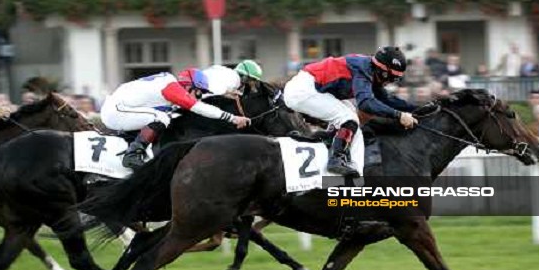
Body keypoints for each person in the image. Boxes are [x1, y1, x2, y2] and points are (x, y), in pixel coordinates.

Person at [283, 46, 417, 176]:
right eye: (392, 77)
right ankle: (337, 161)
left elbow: (387, 99)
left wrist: (418, 109)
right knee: (349, 119)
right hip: (304, 90)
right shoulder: (363, 69)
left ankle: (337, 153)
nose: (391, 82)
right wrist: (398, 115)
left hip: (313, 89)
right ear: (383, 70)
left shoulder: (371, 69)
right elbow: (366, 104)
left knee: (353, 121)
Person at [100, 70, 250, 169]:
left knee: (165, 117)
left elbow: (194, 98)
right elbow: (197, 106)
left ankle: (136, 147)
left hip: (122, 107)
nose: (199, 96)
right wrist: (232, 118)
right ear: (188, 86)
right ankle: (132, 155)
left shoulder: (176, 85)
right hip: (114, 111)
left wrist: (223, 92)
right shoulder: (171, 88)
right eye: (198, 92)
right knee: (161, 118)